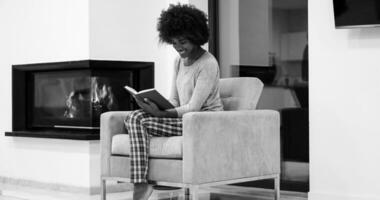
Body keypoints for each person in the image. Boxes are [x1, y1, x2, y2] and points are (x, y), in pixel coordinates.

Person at [124, 3, 224, 200]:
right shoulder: (178, 61)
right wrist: (155, 105)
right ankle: (141, 183)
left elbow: (194, 107)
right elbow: (175, 99)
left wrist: (161, 114)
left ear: (196, 38)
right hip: (183, 118)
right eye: (174, 43)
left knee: (140, 121)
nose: (179, 48)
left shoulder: (208, 63)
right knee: (133, 116)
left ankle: (142, 185)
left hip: (203, 121)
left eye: (183, 42)